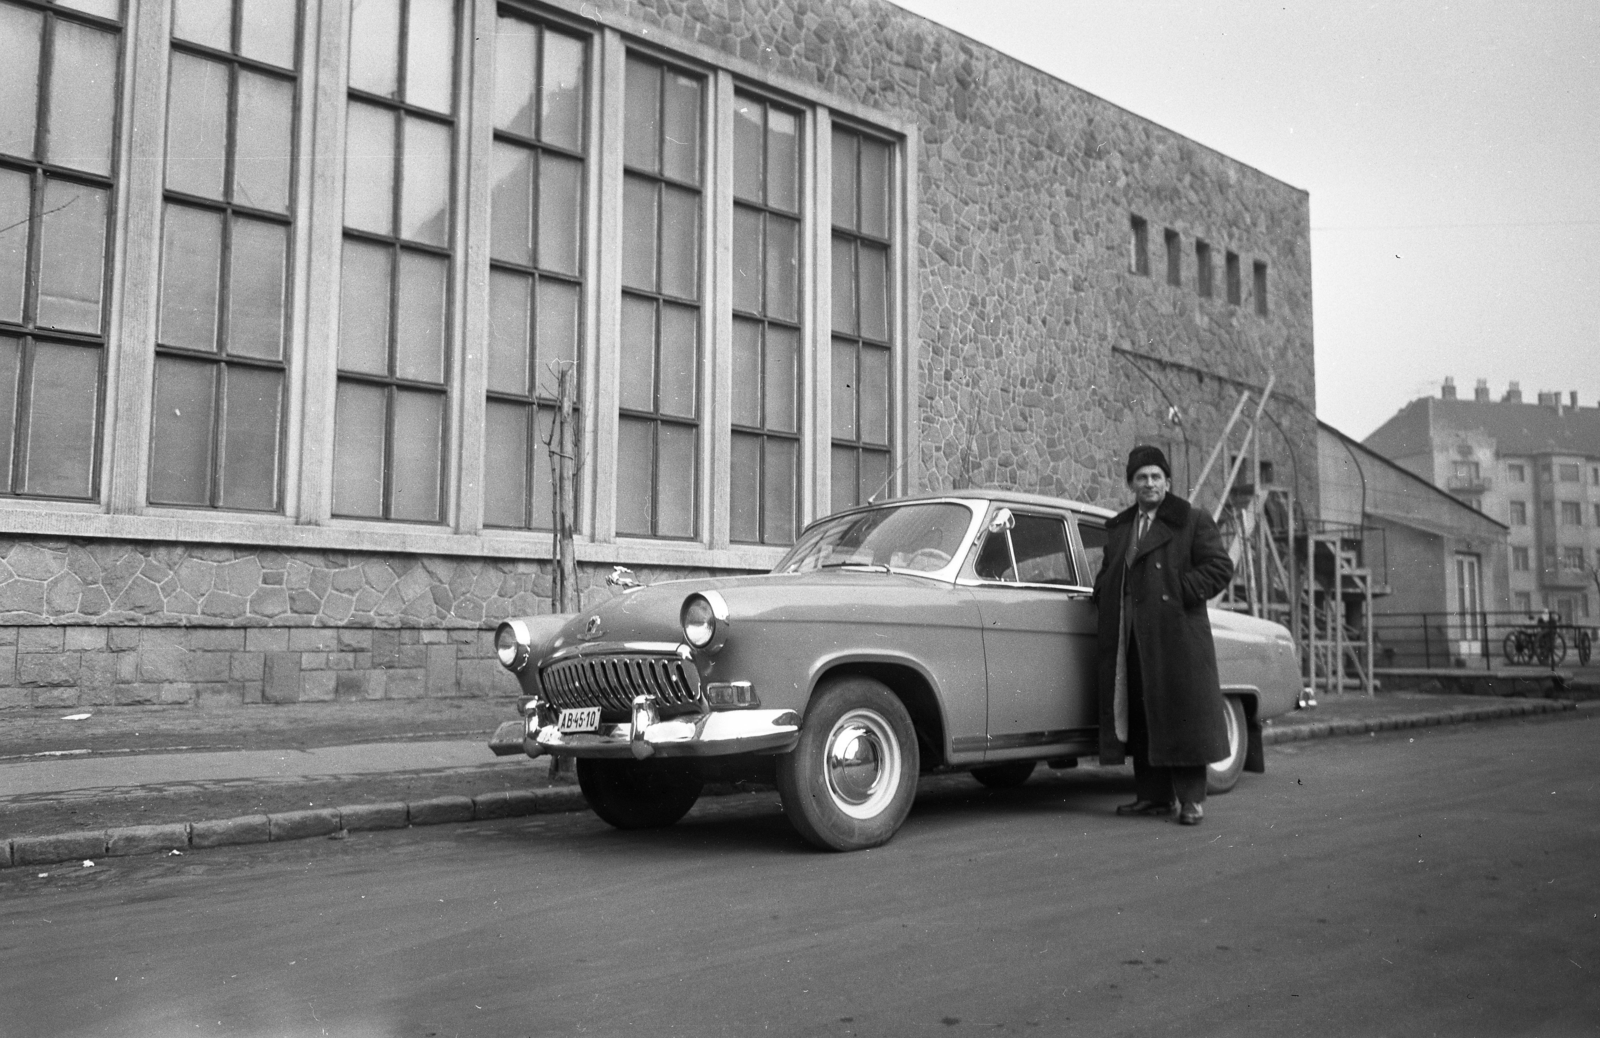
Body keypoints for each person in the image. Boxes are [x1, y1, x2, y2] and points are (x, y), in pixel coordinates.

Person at [1092, 445, 1234, 826]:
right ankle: (1153, 797)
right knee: (1141, 715)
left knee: (1182, 717)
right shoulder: (1121, 527)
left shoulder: (1191, 520)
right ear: (1131, 484)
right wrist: (1103, 590)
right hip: (1132, 638)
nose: (1149, 483)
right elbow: (1109, 570)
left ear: (1168, 482)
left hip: (1178, 639)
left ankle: (1191, 801)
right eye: (1141, 477)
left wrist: (1179, 590)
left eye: (1156, 476)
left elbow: (1220, 567)